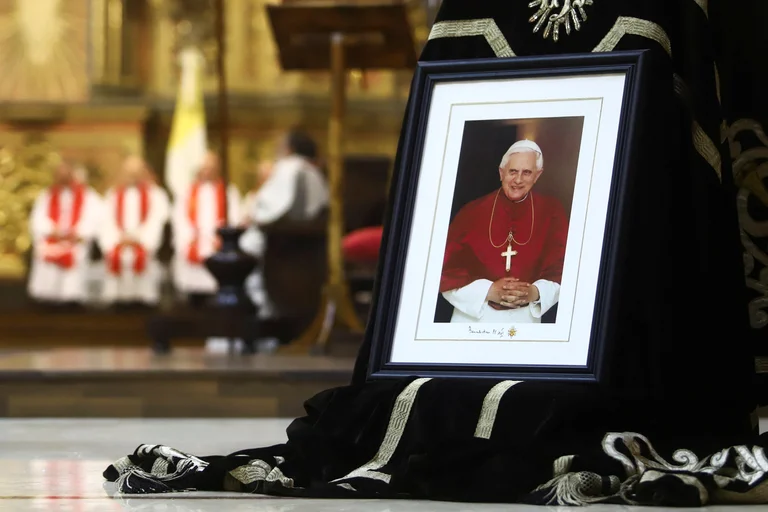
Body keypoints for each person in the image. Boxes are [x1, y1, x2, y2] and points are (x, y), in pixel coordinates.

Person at [439, 139, 569, 323]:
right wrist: (488, 291)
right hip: (474, 317)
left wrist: (535, 292)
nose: (518, 179)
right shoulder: (471, 212)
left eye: (527, 172)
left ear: (537, 175)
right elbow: (445, 271)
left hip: (526, 319)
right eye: (513, 171)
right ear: (501, 173)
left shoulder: (552, 212)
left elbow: (564, 269)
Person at [27, 158, 102, 307]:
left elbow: (95, 218)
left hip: (76, 240)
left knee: (76, 254)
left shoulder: (88, 196)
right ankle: (46, 297)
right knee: (45, 253)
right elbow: (38, 219)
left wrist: (78, 232)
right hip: (53, 238)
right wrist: (52, 230)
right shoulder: (47, 195)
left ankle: (72, 298)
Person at [98, 156, 170, 308]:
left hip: (143, 243)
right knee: (120, 258)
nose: (132, 176)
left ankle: (143, 302)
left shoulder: (156, 195)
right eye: (128, 172)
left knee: (140, 262)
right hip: (119, 241)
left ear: (144, 172)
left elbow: (156, 221)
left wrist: (139, 238)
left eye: (136, 172)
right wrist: (119, 239)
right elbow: (106, 221)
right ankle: (117, 301)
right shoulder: (112, 194)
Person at [171, 151, 241, 304]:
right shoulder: (186, 192)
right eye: (204, 168)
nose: (207, 171)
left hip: (217, 245)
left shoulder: (229, 192)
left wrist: (219, 238)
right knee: (193, 298)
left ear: (218, 169)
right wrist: (191, 237)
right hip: (193, 243)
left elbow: (234, 219)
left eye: (211, 167)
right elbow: (179, 219)